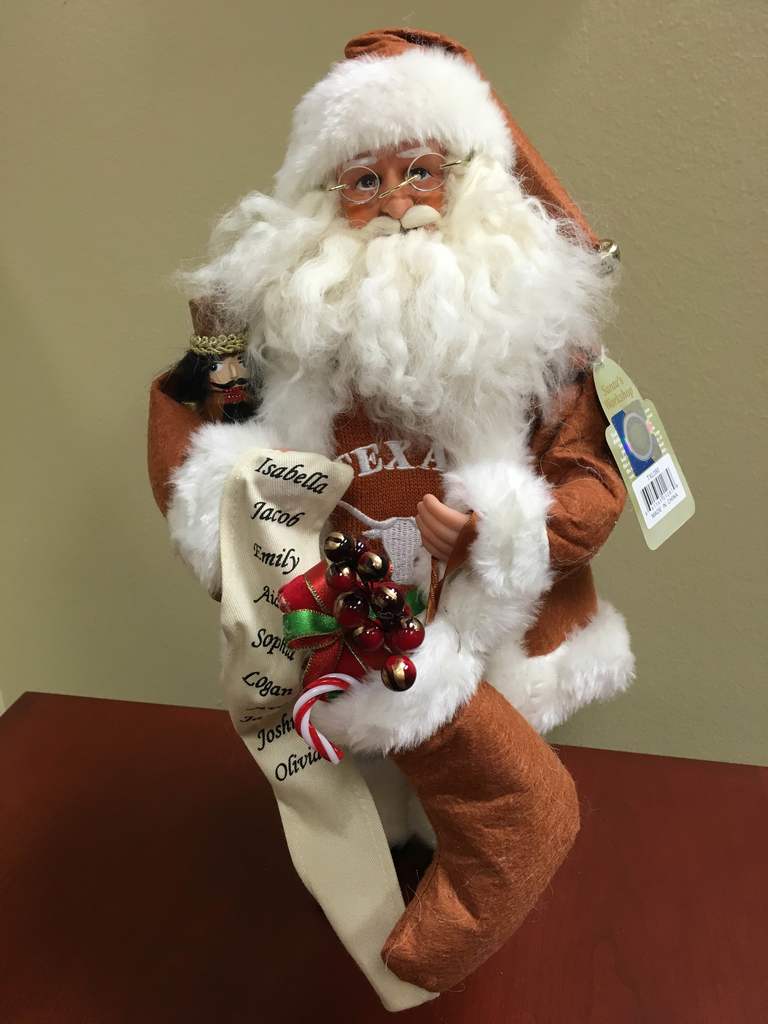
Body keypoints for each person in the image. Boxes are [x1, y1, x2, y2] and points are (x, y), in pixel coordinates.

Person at [148, 28, 635, 994]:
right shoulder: (281, 338)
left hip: (486, 637)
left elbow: (591, 480)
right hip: (341, 626)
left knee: (467, 741)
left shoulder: (532, 339)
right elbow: (197, 450)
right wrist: (241, 526)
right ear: (322, 203)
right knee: (359, 810)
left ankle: (501, 824)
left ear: (472, 182)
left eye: (421, 171)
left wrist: (502, 528)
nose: (399, 203)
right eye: (363, 182)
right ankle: (429, 849)